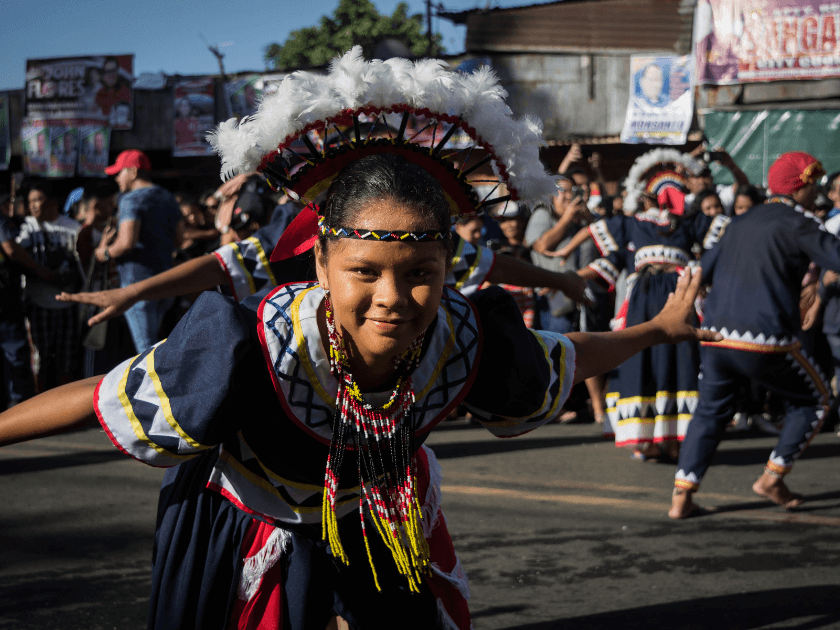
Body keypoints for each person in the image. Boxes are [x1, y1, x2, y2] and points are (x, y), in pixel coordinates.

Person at [0, 49, 720, 629]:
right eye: (363, 271)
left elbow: (563, 361)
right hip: (245, 526)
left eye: (420, 273)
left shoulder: (463, 338)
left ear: (449, 268)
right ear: (319, 260)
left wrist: (653, 329)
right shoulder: (251, 344)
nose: (392, 299)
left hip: (376, 523)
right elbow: (101, 395)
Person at [670, 151, 840, 519]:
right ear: (804, 185)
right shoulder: (799, 221)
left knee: (710, 413)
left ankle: (681, 497)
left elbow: (701, 270)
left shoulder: (740, 222)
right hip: (764, 338)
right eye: (814, 184)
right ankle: (771, 478)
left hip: (716, 335)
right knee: (816, 400)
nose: (817, 192)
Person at [557, 150, 731, 460]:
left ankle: (675, 439)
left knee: (680, 362)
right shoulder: (630, 224)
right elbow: (602, 245)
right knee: (640, 359)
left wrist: (695, 188)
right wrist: (564, 269)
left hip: (678, 298)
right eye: (660, 188)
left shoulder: (688, 223)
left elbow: (722, 226)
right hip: (642, 300)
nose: (666, 196)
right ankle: (646, 438)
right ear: (645, 192)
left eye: (674, 189)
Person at [99, 150, 183, 353]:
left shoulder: (131, 200)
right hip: (165, 281)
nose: (117, 178)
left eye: (119, 173)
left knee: (145, 349)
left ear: (133, 171)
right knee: (159, 344)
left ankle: (154, 385)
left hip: (137, 284)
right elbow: (179, 240)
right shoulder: (167, 197)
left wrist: (104, 252)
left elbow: (127, 243)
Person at [16, 181, 83, 391]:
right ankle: (40, 401)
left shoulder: (73, 228)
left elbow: (82, 265)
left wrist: (67, 277)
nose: (34, 206)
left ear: (53, 202)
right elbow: (17, 258)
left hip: (67, 303)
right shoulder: (25, 228)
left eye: (38, 200)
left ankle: (65, 404)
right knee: (40, 357)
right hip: (38, 303)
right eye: (30, 202)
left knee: (66, 357)